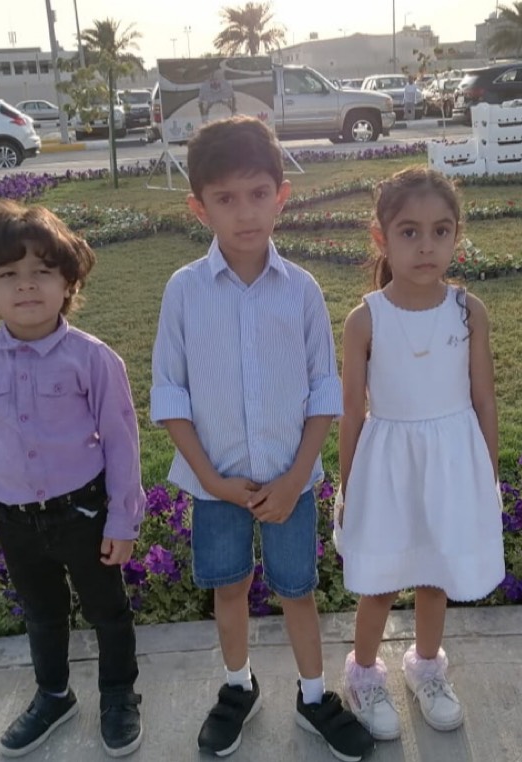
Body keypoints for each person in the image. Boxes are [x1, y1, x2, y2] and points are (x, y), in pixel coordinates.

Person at [150, 116, 374, 761]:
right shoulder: (184, 292)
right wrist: (211, 479)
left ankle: (313, 695)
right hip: (216, 482)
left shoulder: (300, 291)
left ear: (282, 196)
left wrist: (298, 475)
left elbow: (324, 391)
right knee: (228, 586)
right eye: (225, 198)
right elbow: (169, 394)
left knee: (297, 589)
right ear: (199, 207)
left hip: (289, 481)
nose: (244, 212)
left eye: (257, 194)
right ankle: (237, 685)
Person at [0, 200, 146, 758]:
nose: (26, 286)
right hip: (14, 519)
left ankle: (118, 695)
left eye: (42, 271)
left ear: (68, 283)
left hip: (83, 513)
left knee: (108, 610)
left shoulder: (93, 360)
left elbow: (122, 443)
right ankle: (54, 695)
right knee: (42, 613)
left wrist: (123, 519)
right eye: (8, 274)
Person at [336, 166, 506, 741]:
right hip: (388, 468)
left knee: (435, 575)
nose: (426, 246)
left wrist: (487, 476)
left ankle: (426, 667)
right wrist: (348, 487)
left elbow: (484, 399)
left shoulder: (468, 311)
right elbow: (351, 412)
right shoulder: (365, 319)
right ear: (381, 238)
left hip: (452, 464)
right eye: (409, 232)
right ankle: (363, 673)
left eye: (440, 231)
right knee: (382, 581)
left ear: (457, 235)